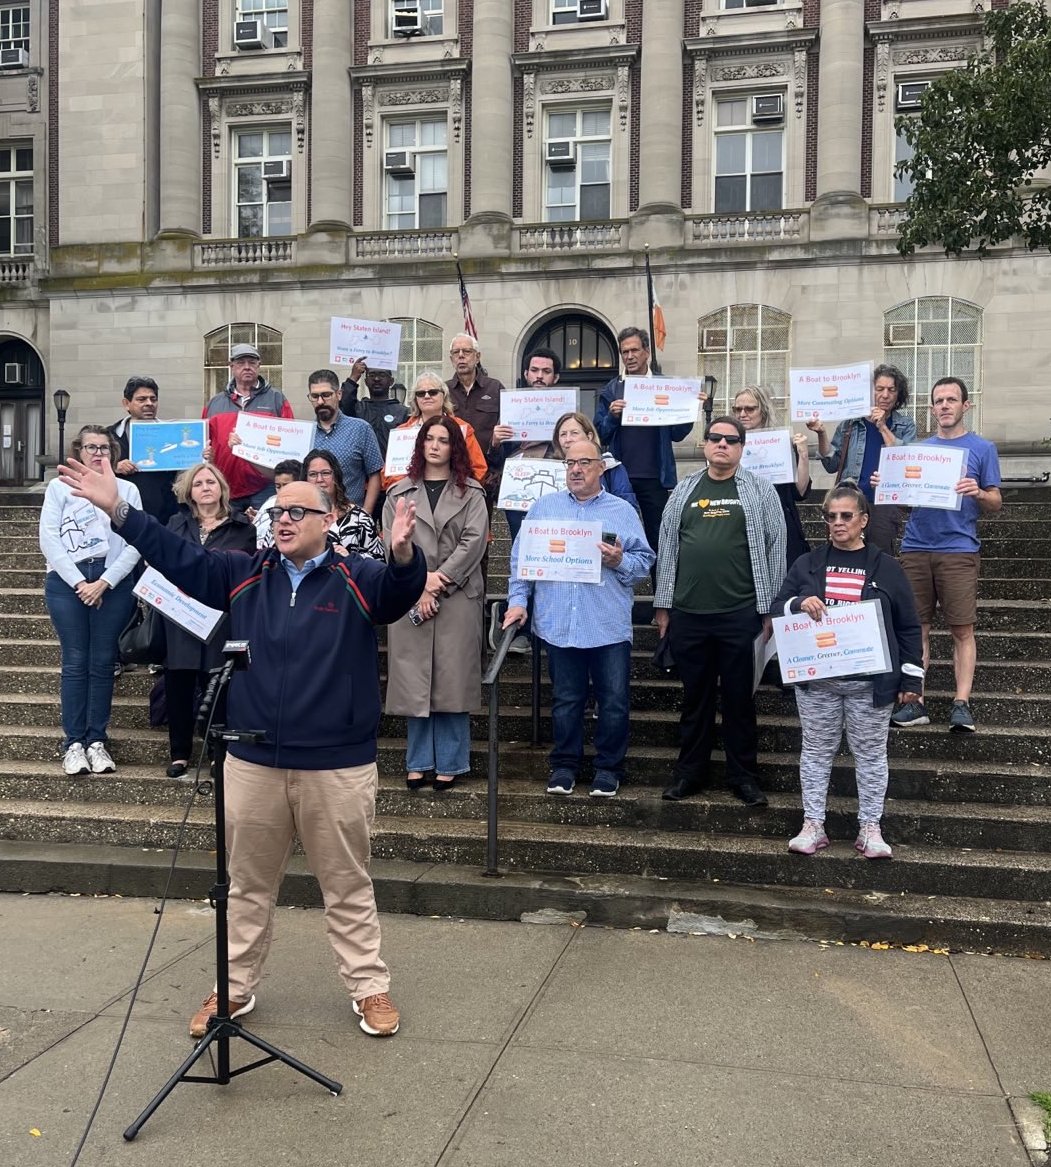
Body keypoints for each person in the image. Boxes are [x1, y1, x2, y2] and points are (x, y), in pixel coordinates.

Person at [56, 450, 427, 1041]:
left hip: (335, 764)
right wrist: (121, 511)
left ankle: (369, 986)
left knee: (347, 883)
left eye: (297, 512)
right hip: (253, 761)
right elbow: (183, 557)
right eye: (278, 510)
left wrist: (405, 553)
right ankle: (233, 987)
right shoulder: (245, 573)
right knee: (245, 886)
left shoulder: (357, 578)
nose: (282, 520)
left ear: (328, 521)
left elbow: (399, 591)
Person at [771, 483, 924, 860]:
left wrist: (911, 678)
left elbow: (908, 625)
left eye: (846, 516)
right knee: (816, 753)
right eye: (830, 516)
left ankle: (871, 827)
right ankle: (813, 824)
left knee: (871, 756)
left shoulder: (886, 567)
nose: (837, 523)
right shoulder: (807, 563)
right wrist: (797, 602)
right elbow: (777, 607)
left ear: (863, 520)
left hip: (870, 684)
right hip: (818, 682)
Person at [503, 438, 654, 797]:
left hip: (606, 623)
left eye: (585, 462)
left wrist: (620, 561)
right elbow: (520, 562)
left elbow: (644, 563)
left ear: (602, 468)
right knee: (566, 700)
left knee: (613, 701)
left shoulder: (622, 511)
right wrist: (518, 600)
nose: (575, 469)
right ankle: (564, 765)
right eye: (569, 463)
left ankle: (608, 768)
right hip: (559, 623)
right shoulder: (543, 508)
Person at [654, 415, 786, 807]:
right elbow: (668, 546)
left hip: (741, 613)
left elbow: (776, 547)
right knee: (695, 700)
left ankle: (743, 776)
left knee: (739, 701)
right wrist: (663, 605)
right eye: (715, 438)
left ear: (742, 447)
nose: (722, 445)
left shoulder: (761, 490)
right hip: (689, 614)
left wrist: (770, 608)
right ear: (706, 444)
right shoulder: (684, 489)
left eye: (731, 440)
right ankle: (688, 773)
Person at [887, 376, 1002, 732]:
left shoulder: (982, 449)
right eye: (939, 400)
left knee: (962, 630)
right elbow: (906, 501)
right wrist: (888, 485)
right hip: (916, 546)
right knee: (915, 628)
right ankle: (915, 701)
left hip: (958, 548)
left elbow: (996, 502)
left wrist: (978, 493)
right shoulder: (920, 450)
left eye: (952, 399)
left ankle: (961, 702)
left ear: (966, 405)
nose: (945, 406)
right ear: (932, 407)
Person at [383, 417, 489, 790]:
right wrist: (420, 583)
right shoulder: (398, 493)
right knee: (416, 680)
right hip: (412, 594)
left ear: (454, 448)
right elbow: (391, 542)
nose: (435, 446)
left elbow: (474, 542)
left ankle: (451, 762)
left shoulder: (472, 492)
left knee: (451, 681)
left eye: (444, 440)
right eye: (429, 439)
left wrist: (437, 581)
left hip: (457, 594)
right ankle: (418, 761)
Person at [39, 426, 141, 776]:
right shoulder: (59, 487)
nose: (98, 453)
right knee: (75, 661)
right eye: (90, 447)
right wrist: (81, 582)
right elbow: (48, 537)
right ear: (79, 452)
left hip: (112, 582)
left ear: (113, 453)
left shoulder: (126, 489)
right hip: (68, 581)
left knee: (101, 662)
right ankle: (73, 744)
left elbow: (135, 541)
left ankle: (96, 741)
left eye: (104, 447)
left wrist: (104, 582)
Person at [162, 463, 256, 778]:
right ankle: (179, 754)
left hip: (219, 618)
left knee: (219, 686)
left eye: (211, 482)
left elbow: (244, 571)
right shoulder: (176, 524)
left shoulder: (243, 527)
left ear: (222, 489)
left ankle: (218, 753)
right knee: (178, 684)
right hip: (180, 616)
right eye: (199, 483)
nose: (205, 487)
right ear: (189, 491)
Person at [594, 327, 697, 584]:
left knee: (658, 539)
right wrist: (612, 417)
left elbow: (678, 433)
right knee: (614, 538)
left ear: (647, 352)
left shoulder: (666, 386)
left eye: (634, 350)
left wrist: (690, 409)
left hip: (655, 477)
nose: (629, 356)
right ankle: (615, 597)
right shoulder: (612, 389)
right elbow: (599, 435)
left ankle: (660, 602)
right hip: (619, 480)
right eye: (624, 351)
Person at [806, 363, 915, 553]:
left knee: (879, 560)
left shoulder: (905, 425)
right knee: (844, 557)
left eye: (891, 390)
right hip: (850, 502)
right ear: (869, 392)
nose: (885, 395)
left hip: (884, 505)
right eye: (879, 389)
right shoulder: (850, 423)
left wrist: (882, 427)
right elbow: (831, 464)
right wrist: (821, 433)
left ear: (899, 394)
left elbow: (906, 461)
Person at [204, 342, 295, 513]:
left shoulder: (276, 399)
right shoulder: (214, 404)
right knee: (230, 536)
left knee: (266, 534)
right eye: (240, 362)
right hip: (226, 487)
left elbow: (289, 442)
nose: (247, 367)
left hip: (264, 486)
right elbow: (204, 442)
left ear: (259, 366)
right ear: (231, 367)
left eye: (252, 362)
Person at [732, 385, 811, 570]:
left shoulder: (782, 443)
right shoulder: (727, 444)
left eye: (750, 408)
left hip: (780, 523)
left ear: (764, 410)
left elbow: (800, 491)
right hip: (740, 525)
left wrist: (803, 454)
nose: (742, 414)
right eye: (737, 409)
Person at [382, 371, 488, 491]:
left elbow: (478, 470)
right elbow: (387, 477)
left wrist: (457, 491)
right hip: (409, 499)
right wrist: (411, 490)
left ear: (444, 396)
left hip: (453, 499)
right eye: (421, 393)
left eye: (433, 392)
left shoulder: (462, 429)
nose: (427, 396)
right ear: (416, 399)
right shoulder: (401, 433)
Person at [308, 368, 383, 513]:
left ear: (339, 394)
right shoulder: (304, 433)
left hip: (350, 518)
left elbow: (375, 474)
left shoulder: (361, 429)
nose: (320, 401)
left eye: (326, 395)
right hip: (313, 518)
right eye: (315, 396)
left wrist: (365, 514)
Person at [107, 376, 178, 527]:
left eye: (153, 399)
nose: (149, 404)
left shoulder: (173, 433)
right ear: (126, 403)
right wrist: (114, 467)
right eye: (142, 399)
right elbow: (91, 470)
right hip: (123, 518)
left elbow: (186, 471)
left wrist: (202, 458)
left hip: (165, 519)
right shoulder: (108, 436)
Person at [299, 448, 385, 561]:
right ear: (305, 479)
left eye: (325, 473)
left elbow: (379, 561)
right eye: (313, 474)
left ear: (336, 477)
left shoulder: (360, 518)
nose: (319, 479)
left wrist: (349, 558)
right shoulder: (292, 516)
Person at [445, 332, 507, 459]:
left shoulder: (495, 388)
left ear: (477, 357)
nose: (461, 356)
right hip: (453, 466)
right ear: (451, 359)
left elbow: (508, 428)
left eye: (467, 351)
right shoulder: (443, 390)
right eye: (456, 352)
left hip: (490, 466)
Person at [251, 458, 302, 548]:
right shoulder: (270, 502)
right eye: (278, 486)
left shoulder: (305, 512)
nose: (281, 491)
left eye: (286, 485)